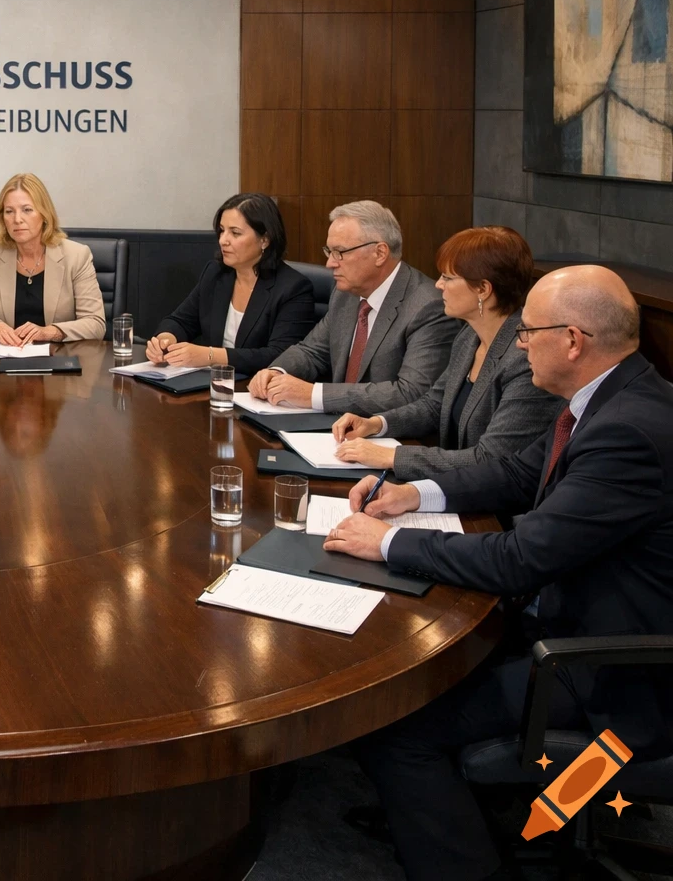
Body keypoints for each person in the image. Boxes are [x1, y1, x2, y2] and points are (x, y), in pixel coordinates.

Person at [322, 265, 673, 881]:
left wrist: (389, 543)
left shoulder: (628, 433)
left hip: (611, 671)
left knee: (392, 724)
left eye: (528, 332)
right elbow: (516, 474)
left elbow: (519, 560)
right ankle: (446, 813)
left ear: (572, 340)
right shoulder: (610, 398)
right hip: (573, 620)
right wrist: (416, 495)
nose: (517, 343)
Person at [330, 226, 562, 479]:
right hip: (454, 487)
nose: (438, 285)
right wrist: (376, 424)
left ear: (483, 289)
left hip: (494, 508)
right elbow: (434, 405)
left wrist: (391, 456)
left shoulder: (524, 358)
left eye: (448, 278)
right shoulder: (469, 336)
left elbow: (490, 459)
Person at [246, 200, 458, 415]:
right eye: (329, 251)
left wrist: (312, 394)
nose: (330, 263)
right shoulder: (345, 293)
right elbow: (312, 351)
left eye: (340, 252)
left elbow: (411, 393)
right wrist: (276, 371)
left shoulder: (428, 307)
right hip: (337, 427)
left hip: (389, 436)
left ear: (380, 253)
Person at [143, 192, 316, 377]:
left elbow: (279, 355)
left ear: (264, 240)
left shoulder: (294, 288)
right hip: (212, 384)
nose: (223, 240)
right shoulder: (216, 274)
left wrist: (210, 355)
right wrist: (165, 340)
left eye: (235, 233)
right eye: (222, 230)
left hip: (257, 390)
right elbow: (181, 321)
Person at [0, 173, 105, 345]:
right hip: (8, 358)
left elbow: (95, 323)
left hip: (60, 362)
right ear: (2, 218)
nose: (17, 219)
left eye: (27, 210)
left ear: (44, 214)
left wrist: (49, 332)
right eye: (9, 212)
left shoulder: (76, 256)